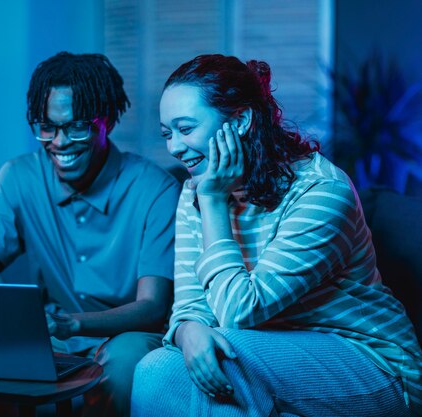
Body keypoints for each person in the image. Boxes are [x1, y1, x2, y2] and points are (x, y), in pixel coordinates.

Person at [131, 54, 422, 417]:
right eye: (167, 133)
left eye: (186, 128)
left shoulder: (322, 192)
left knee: (225, 359)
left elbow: (240, 311)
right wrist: (188, 331)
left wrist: (214, 204)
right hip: (266, 351)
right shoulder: (196, 190)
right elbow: (191, 303)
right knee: (155, 369)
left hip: (370, 361)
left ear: (240, 120)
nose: (173, 147)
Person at [0, 51, 180, 417]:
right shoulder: (18, 177)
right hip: (51, 333)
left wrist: (72, 323)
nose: (60, 142)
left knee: (121, 364)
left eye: (77, 126)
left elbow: (153, 308)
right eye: (47, 127)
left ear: (106, 120)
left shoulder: (155, 190)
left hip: (129, 335)